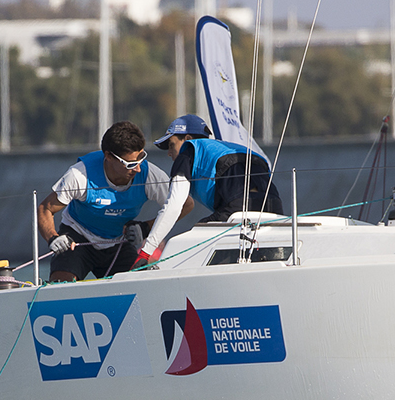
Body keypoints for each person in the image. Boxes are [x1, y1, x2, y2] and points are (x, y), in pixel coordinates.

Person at [133, 114, 282, 266]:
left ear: (188, 139)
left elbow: (174, 206)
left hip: (238, 207)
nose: (169, 153)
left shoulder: (188, 151)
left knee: (195, 241)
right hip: (274, 206)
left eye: (171, 145)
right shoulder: (227, 149)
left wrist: (145, 252)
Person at [37, 121, 172, 282]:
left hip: (118, 241)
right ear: (108, 156)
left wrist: (146, 228)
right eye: (130, 164)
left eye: (141, 158)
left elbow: (184, 205)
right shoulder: (79, 175)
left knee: (138, 283)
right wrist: (53, 238)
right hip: (77, 238)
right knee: (61, 285)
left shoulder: (150, 175)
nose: (137, 168)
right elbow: (45, 209)